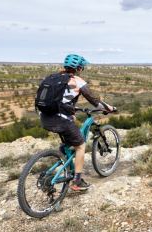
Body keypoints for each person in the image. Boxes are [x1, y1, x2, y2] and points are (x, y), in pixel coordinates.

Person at [39, 54, 114, 193]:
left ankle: (64, 155)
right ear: (79, 68)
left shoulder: (53, 77)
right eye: (82, 67)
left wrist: (70, 110)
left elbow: (59, 99)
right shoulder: (77, 81)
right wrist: (109, 108)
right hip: (60, 119)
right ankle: (77, 181)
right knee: (80, 146)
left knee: (68, 137)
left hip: (45, 117)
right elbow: (95, 101)